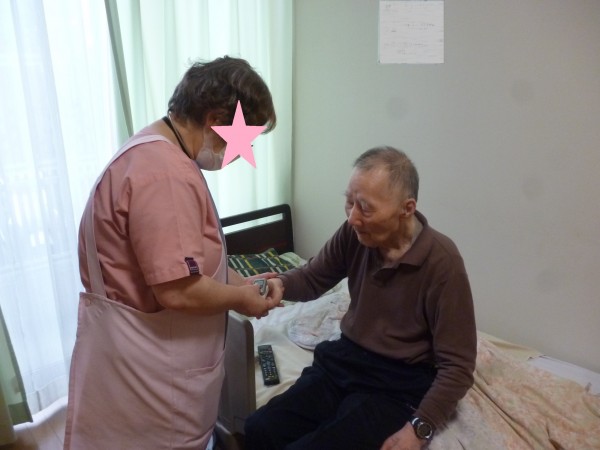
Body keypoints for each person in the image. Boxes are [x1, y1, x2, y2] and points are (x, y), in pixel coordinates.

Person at [64, 56, 283, 450]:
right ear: (215, 119)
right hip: (153, 374)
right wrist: (243, 300)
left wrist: (244, 284)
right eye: (244, 139)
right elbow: (178, 290)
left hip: (140, 360)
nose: (242, 153)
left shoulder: (154, 152)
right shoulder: (165, 173)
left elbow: (193, 265)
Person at [245, 146, 477, 450]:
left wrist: (418, 429)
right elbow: (313, 277)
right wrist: (281, 284)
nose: (353, 218)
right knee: (259, 429)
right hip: (346, 359)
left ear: (406, 208)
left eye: (365, 208)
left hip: (398, 382)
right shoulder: (355, 235)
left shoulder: (442, 263)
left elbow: (458, 366)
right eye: (349, 202)